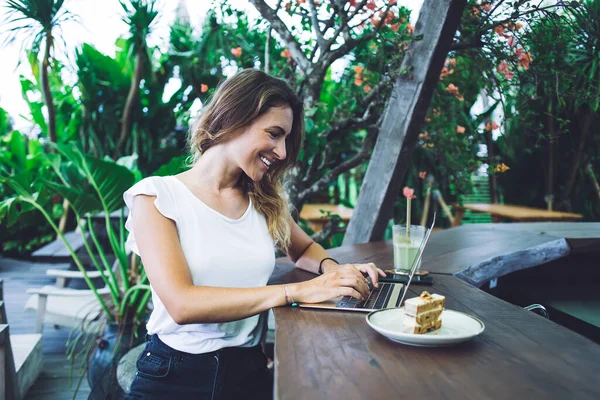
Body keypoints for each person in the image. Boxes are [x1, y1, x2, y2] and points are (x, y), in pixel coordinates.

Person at [123, 68, 385, 399]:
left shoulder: (263, 201)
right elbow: (182, 303)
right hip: (175, 374)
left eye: (286, 139)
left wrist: (335, 273)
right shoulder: (156, 197)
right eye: (274, 134)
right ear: (233, 117)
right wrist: (299, 291)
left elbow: (303, 250)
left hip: (249, 370)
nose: (283, 152)